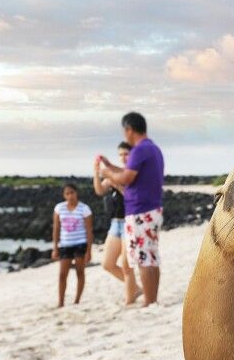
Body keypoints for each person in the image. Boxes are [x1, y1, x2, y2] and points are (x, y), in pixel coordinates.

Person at [97, 112, 164, 306]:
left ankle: (149, 301)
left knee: (143, 258)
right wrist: (110, 165)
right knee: (151, 256)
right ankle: (153, 299)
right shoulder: (153, 148)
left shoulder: (139, 150)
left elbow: (126, 178)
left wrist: (106, 172)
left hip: (140, 211)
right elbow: (129, 173)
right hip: (151, 208)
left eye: (124, 131)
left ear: (129, 129)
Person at [92, 142, 140, 304]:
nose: (123, 157)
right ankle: (135, 289)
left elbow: (133, 198)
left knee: (127, 266)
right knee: (107, 264)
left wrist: (115, 182)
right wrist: (96, 172)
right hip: (116, 223)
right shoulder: (115, 173)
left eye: (126, 154)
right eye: (120, 154)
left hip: (131, 222)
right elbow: (99, 191)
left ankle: (130, 299)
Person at [52, 183, 94, 307]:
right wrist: (55, 247)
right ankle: (61, 302)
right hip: (65, 244)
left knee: (79, 272)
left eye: (72, 193)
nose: (70, 196)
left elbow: (89, 230)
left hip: (80, 244)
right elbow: (56, 228)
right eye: (67, 193)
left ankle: (77, 300)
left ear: (76, 193)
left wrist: (89, 251)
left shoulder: (84, 209)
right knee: (62, 275)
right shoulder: (59, 208)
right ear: (64, 195)